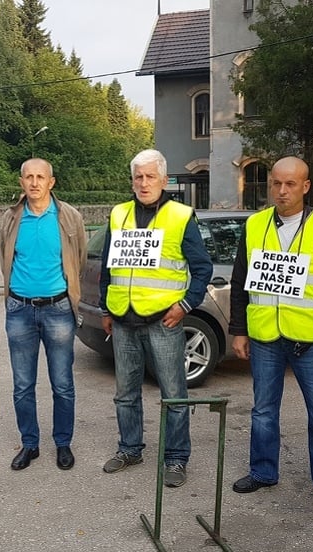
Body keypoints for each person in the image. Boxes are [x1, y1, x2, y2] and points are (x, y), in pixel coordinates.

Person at [228, 156, 313, 518]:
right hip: (265, 335)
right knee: (263, 411)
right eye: (276, 184)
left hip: (312, 341)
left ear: (305, 186)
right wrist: (238, 330)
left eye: (290, 184)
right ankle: (263, 471)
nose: (281, 191)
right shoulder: (254, 226)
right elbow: (240, 282)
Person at [99, 149, 213, 488]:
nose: (143, 183)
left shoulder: (180, 215)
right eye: (138, 177)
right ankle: (130, 448)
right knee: (125, 394)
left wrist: (186, 306)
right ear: (132, 181)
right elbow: (108, 265)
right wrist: (107, 308)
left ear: (164, 180)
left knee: (174, 394)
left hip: (164, 321)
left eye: (150, 176)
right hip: (123, 319)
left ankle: (176, 459)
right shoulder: (119, 213)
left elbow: (202, 267)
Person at [0, 158, 87, 472]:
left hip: (59, 309)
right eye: (29, 177)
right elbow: (5, 257)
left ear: (52, 182)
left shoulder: (69, 217)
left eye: (41, 177)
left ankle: (63, 443)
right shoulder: (11, 219)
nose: (34, 183)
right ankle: (30, 444)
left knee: (62, 383)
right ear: (21, 181)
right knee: (23, 384)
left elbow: (79, 260)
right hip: (19, 310)